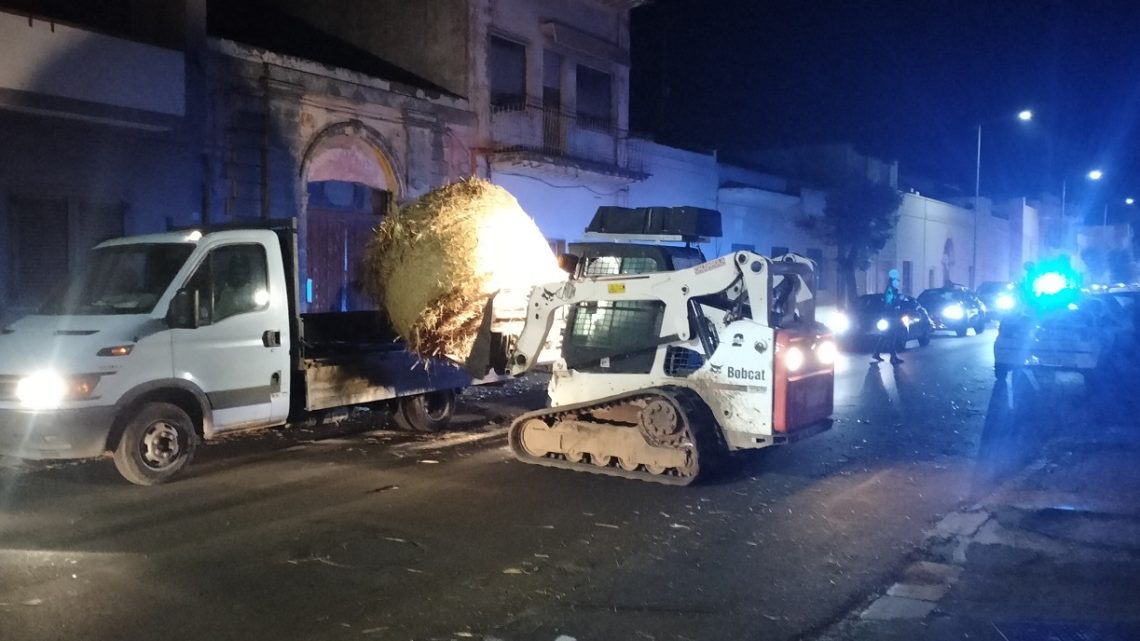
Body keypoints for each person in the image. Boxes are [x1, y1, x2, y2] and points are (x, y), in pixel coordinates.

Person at [872, 268, 904, 365]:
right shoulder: (890, 290)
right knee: (891, 336)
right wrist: (898, 300)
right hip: (891, 316)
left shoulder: (892, 290)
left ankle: (877, 354)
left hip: (890, 316)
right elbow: (889, 303)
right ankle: (892, 357)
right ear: (893, 281)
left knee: (886, 336)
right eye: (897, 281)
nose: (898, 282)